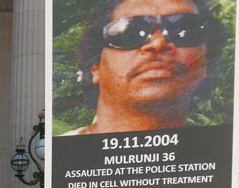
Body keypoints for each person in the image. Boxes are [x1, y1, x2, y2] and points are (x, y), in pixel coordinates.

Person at [65, 0, 221, 134]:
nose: (158, 43)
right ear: (95, 68)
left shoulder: (226, 160)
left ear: (206, 64)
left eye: (183, 29)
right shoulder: (58, 160)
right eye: (129, 32)